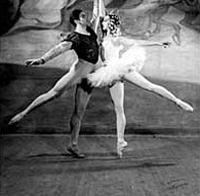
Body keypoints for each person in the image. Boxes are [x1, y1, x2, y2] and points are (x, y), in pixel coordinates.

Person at [87, 9, 194, 156]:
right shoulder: (103, 39)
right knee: (119, 109)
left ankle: (177, 101)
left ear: (111, 24)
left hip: (120, 68)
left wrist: (157, 43)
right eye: (103, 21)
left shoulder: (116, 39)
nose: (102, 23)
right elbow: (97, 18)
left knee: (150, 87)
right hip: (110, 73)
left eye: (105, 21)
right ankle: (120, 142)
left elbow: (136, 42)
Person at [8, 8, 101, 158]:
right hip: (79, 72)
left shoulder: (91, 32)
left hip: (90, 77)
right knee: (53, 94)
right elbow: (58, 49)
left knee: (79, 112)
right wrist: (42, 60)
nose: (87, 17)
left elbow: (98, 18)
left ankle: (73, 144)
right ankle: (23, 113)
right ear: (77, 20)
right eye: (83, 16)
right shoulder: (75, 37)